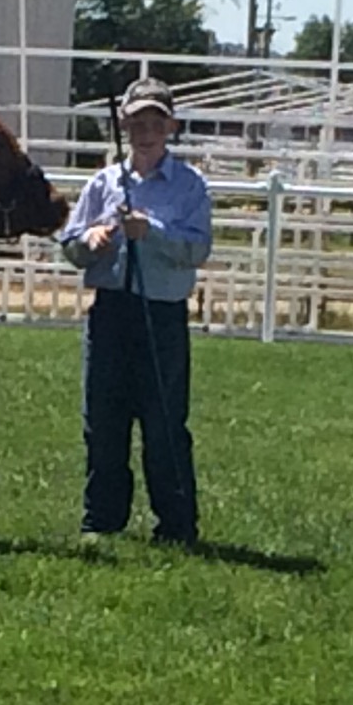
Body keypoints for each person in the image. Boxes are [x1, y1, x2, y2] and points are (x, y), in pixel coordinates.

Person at [61, 76, 211, 545]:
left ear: (171, 128)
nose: (146, 133)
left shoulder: (190, 186)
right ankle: (101, 520)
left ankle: (177, 525)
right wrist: (89, 240)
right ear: (124, 127)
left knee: (164, 422)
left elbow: (198, 249)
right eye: (137, 124)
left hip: (162, 314)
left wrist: (153, 233)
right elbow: (70, 244)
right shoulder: (102, 183)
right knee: (103, 420)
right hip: (110, 311)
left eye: (156, 124)